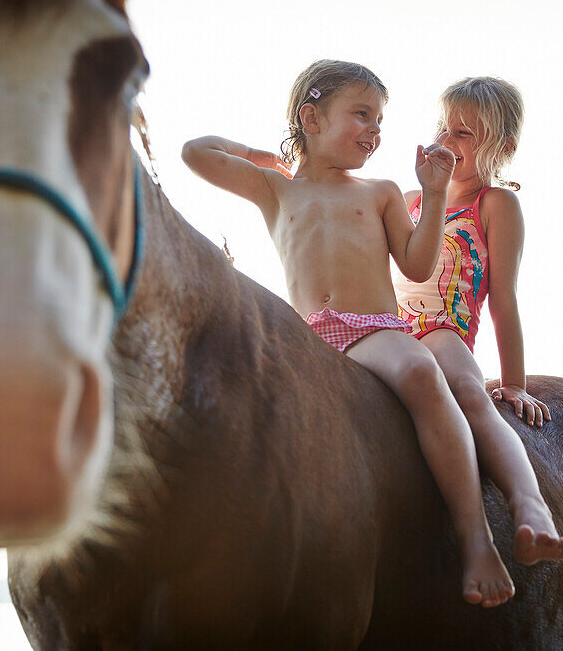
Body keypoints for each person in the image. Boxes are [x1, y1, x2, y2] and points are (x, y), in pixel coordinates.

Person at [181, 59, 515, 607]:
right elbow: (195, 152)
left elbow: (416, 264)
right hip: (309, 337)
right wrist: (265, 156)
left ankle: (476, 538)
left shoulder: (379, 191)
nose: (375, 131)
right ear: (312, 119)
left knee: (419, 372)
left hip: (373, 330)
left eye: (380, 120)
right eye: (361, 115)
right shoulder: (275, 189)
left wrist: (432, 197)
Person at [395, 77, 563, 564]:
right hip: (388, 329)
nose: (446, 139)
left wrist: (514, 383)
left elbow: (504, 299)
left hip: (442, 331)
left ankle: (530, 509)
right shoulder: (411, 201)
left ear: (503, 147)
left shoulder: (495, 205)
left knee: (472, 395)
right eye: (442, 127)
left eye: (463, 134)